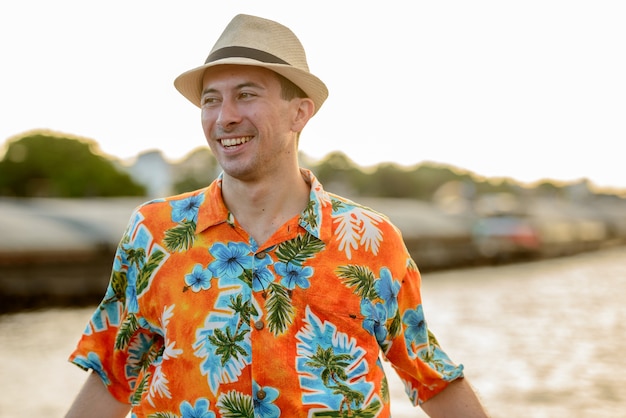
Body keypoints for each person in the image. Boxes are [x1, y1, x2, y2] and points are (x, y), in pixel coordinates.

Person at [66, 14, 490, 418]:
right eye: (211, 100)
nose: (224, 116)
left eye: (246, 94)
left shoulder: (370, 238)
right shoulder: (154, 232)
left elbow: (429, 375)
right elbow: (115, 373)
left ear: (299, 113)